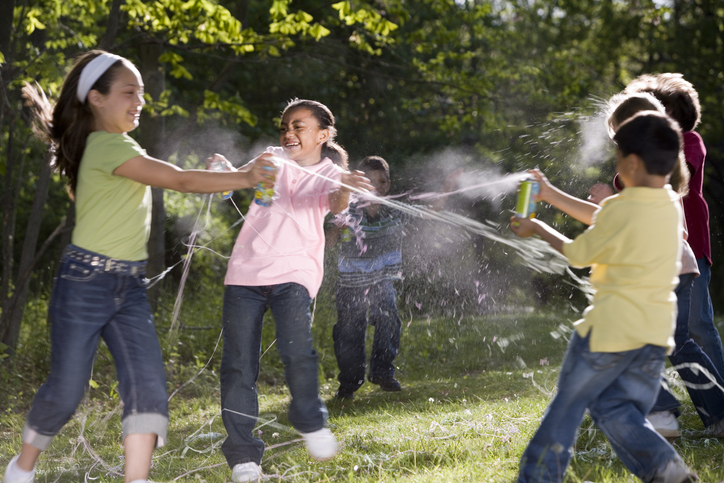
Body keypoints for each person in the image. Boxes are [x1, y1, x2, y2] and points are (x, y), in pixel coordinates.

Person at [3, 51, 274, 483]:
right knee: (67, 389)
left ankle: (137, 479)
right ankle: (21, 468)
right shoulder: (104, 144)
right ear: (96, 98)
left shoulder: (118, 147)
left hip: (128, 287)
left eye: (142, 93)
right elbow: (178, 180)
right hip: (85, 284)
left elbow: (177, 178)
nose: (139, 100)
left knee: (147, 386)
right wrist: (243, 176)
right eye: (129, 92)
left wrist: (225, 178)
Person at [511, 111, 698, 483]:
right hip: (652, 337)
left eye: (617, 160)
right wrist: (550, 193)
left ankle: (536, 478)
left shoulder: (619, 208)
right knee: (614, 409)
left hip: (607, 333)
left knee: (566, 408)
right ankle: (666, 468)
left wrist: (539, 227)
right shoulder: (671, 205)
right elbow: (614, 222)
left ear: (630, 162)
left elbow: (579, 254)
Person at [219, 99, 372, 482]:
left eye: (299, 126)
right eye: (285, 125)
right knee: (238, 367)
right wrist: (221, 173)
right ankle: (244, 460)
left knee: (297, 351)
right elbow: (231, 184)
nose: (288, 133)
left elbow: (334, 204)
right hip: (245, 274)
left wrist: (346, 187)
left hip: (294, 273)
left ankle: (310, 421)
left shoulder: (330, 173)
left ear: (323, 134)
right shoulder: (271, 156)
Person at [588, 91, 724, 439]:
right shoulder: (652, 162)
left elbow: (662, 219)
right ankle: (700, 415)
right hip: (664, 267)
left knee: (652, 338)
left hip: (669, 269)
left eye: (621, 137)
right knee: (674, 341)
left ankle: (665, 415)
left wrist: (609, 204)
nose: (619, 148)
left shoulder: (660, 162)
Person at [327, 156, 460, 399]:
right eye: (368, 182)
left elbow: (430, 213)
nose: (375, 187)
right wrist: (337, 227)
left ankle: (382, 371)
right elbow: (329, 242)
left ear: (387, 185)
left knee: (389, 319)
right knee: (348, 332)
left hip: (382, 280)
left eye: (381, 182)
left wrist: (448, 187)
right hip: (350, 283)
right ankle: (349, 382)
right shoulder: (347, 209)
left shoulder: (394, 210)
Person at [624, 74, 722, 381]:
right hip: (656, 250)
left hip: (689, 249)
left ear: (672, 114)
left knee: (699, 324)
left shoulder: (690, 143)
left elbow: (679, 173)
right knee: (670, 330)